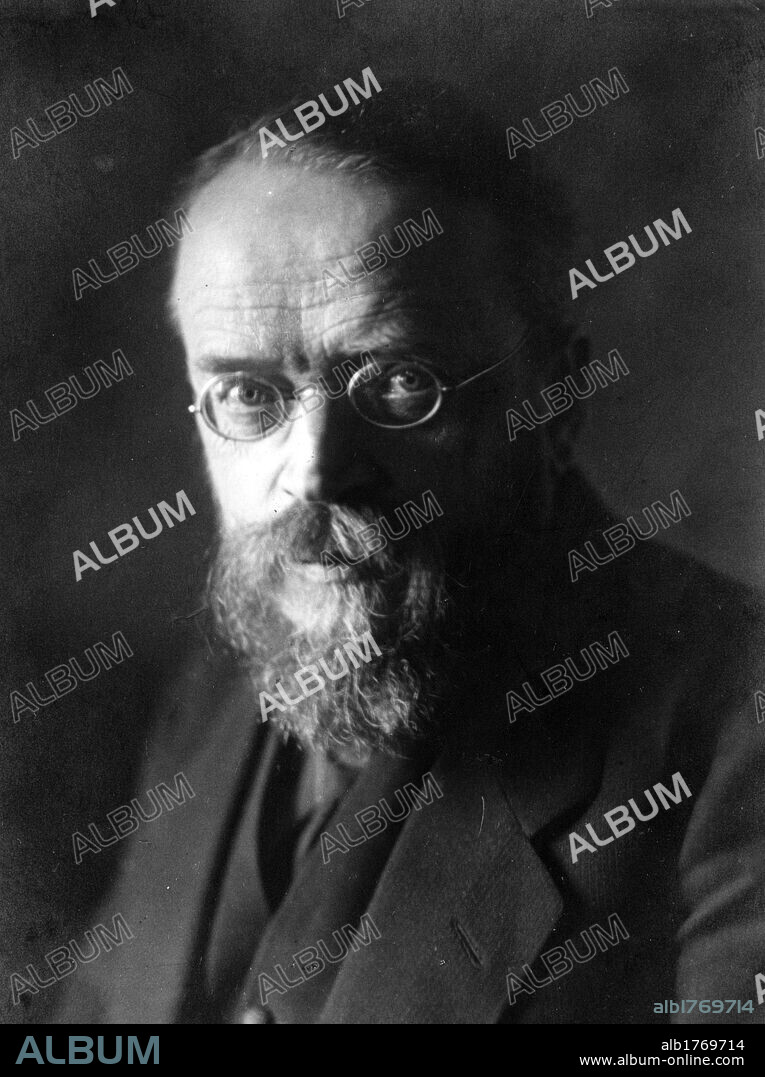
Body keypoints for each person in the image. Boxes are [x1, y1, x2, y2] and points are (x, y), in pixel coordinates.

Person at [56, 87, 765, 1024]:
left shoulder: (734, 733)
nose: (313, 473)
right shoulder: (213, 693)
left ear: (553, 399)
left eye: (397, 382)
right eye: (247, 394)